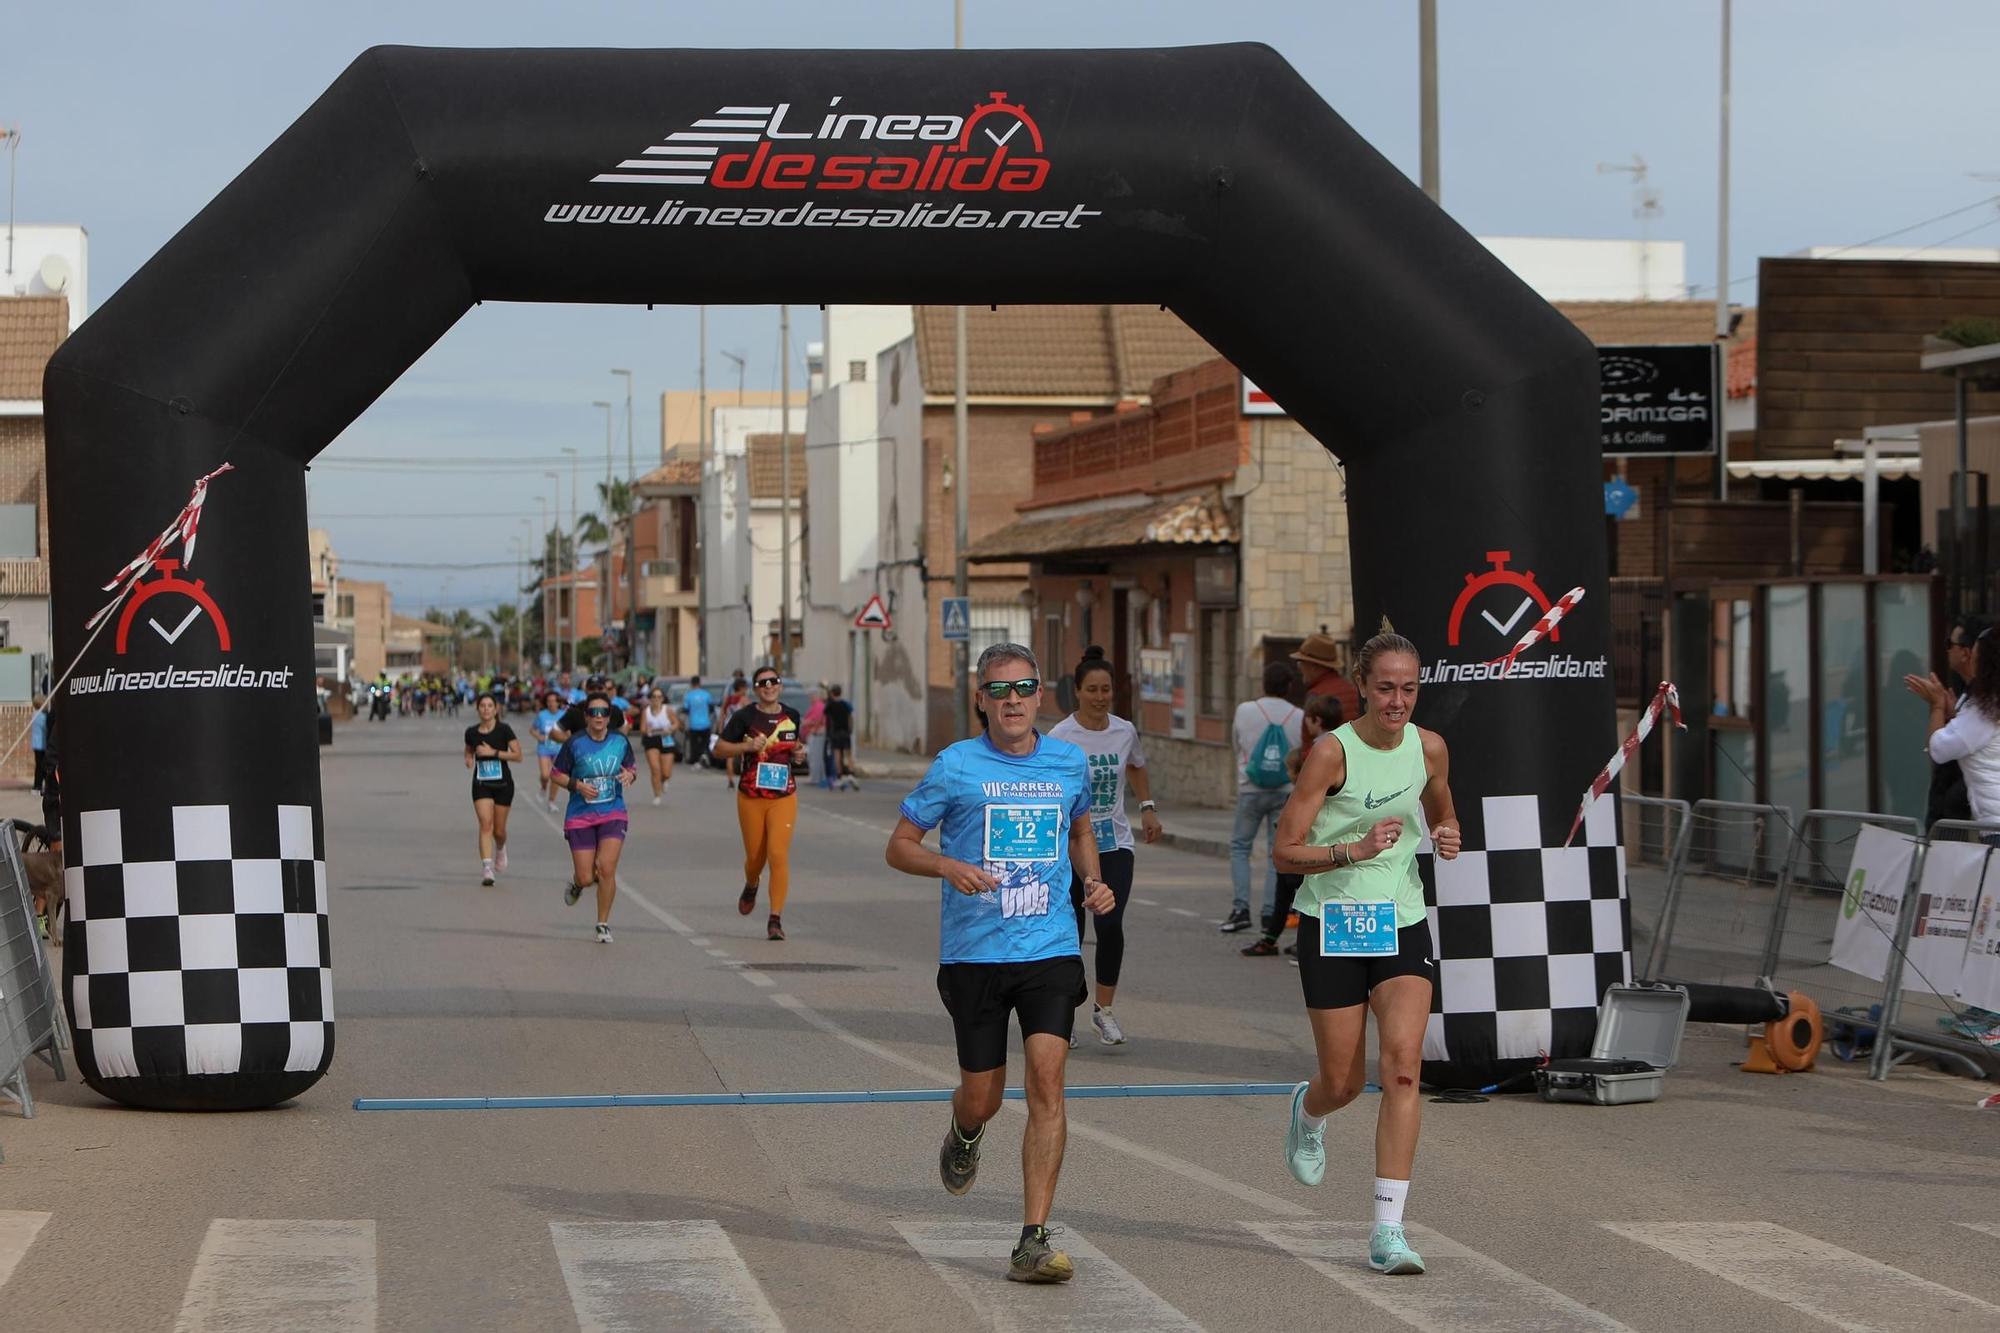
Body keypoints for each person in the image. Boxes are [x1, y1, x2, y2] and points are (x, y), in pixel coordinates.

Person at [884, 642, 1115, 1284]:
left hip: (1050, 948)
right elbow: (899, 847)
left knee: (1048, 1083)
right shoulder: (955, 766)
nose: (1012, 701)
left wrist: (1093, 881)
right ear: (981, 699)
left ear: (1042, 695)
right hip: (974, 954)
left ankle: (1032, 1239)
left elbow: (1080, 830)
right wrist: (946, 864)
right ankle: (964, 1129)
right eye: (999, 690)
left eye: (1024, 688)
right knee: (984, 1097)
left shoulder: (1069, 763)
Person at [1272, 631, 1458, 1277]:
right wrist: (1352, 850)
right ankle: (1309, 1108)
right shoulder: (1332, 753)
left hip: (1401, 919)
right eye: (1386, 687)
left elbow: (1438, 796)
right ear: (1362, 686)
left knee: (1404, 1066)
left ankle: (1388, 1230)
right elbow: (1284, 851)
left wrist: (1445, 826)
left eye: (1408, 688)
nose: (1398, 700)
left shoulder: (1429, 745)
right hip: (1333, 921)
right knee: (1344, 1081)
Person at [1048, 646, 1162, 1046]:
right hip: (1070, 846)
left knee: (1110, 924)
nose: (1099, 696)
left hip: (1114, 842)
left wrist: (1146, 808)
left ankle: (1104, 1010)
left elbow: (1136, 764)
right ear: (1076, 691)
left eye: (1106, 689)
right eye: (1092, 689)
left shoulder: (1123, 730)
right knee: (1071, 931)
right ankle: (1064, 1014)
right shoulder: (1060, 737)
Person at [1244, 692, 1346, 959]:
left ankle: (1279, 939)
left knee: (1290, 886)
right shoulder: (1347, 745)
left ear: (1316, 721)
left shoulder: (1320, 750)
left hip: (1311, 836)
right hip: (1329, 836)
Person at [712, 668, 804, 940]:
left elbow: (794, 746)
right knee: (755, 857)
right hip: (751, 796)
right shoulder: (745, 717)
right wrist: (747, 747)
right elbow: (719, 749)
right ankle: (751, 883)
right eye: (762, 683)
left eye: (773, 682)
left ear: (780, 685)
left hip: (783, 795)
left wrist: (798, 754)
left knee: (778, 854)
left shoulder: (792, 716)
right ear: (755, 688)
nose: (768, 687)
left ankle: (775, 919)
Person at [1223, 662, 1304, 933]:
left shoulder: (1245, 711)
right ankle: (1270, 912)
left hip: (1250, 788)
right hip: (1284, 791)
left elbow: (1236, 744)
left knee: (1240, 847)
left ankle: (1240, 908)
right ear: (1289, 687)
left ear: (1263, 684)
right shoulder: (1299, 715)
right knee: (1275, 853)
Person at [552, 692, 638, 943]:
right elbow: (555, 775)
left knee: (606, 867)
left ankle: (603, 924)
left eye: (603, 713)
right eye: (593, 713)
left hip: (613, 812)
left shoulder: (620, 741)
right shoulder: (575, 743)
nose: (598, 717)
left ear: (609, 716)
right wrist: (577, 786)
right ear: (586, 716)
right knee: (587, 876)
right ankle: (578, 885)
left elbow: (630, 767)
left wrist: (630, 775)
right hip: (580, 815)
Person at [463, 693, 522, 887]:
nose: (486, 709)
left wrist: (493, 753)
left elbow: (518, 755)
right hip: (481, 784)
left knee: (499, 830)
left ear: (496, 709)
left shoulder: (504, 730)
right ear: (478, 709)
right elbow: (469, 748)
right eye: (483, 706)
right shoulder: (471, 732)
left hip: (503, 785)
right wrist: (469, 758)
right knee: (485, 824)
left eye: (490, 706)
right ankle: (487, 868)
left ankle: (501, 846)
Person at [640, 685, 678, 805]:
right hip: (652, 740)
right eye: (654, 696)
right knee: (655, 769)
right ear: (650, 698)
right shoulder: (646, 712)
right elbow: (642, 729)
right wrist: (648, 730)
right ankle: (657, 795)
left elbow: (676, 723)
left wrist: (670, 729)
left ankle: (665, 780)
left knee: (666, 772)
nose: (656, 699)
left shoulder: (668, 710)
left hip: (666, 739)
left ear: (662, 698)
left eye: (659, 696)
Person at [824, 683, 858, 790]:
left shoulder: (830, 705)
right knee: (848, 753)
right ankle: (851, 774)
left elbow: (825, 714)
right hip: (845, 732)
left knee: (837, 755)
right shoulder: (846, 704)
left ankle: (839, 776)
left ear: (832, 693)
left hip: (835, 733)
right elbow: (851, 716)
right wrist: (850, 729)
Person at [683, 675, 716, 770]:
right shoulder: (706, 694)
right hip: (706, 723)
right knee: (706, 743)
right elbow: (711, 708)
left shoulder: (689, 695)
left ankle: (697, 761)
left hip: (694, 724)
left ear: (691, 684)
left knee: (695, 745)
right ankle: (705, 757)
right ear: (699, 683)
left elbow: (686, 710)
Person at [29, 694, 47, 793]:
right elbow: (45, 728)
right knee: (42, 766)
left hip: (36, 744)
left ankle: (37, 785)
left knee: (39, 765)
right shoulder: (42, 716)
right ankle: (38, 786)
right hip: (42, 744)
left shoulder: (34, 714)